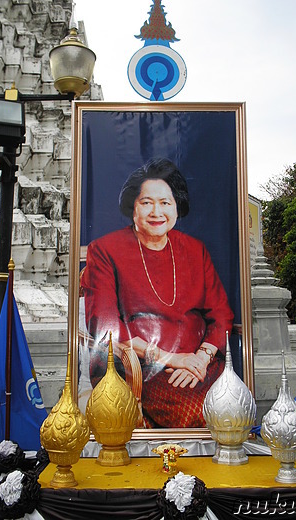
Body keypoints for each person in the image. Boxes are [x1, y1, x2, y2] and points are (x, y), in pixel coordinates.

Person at [81, 158, 234, 428]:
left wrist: (199, 358)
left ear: (177, 208)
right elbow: (106, 328)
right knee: (190, 411)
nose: (157, 212)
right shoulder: (105, 250)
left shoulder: (195, 249)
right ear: (133, 207)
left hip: (200, 364)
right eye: (146, 202)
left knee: (232, 402)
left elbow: (221, 313)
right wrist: (172, 359)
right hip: (138, 366)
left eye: (166, 203)